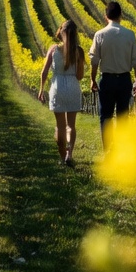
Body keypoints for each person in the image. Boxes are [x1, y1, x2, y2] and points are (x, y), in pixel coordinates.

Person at [89, 0, 136, 150]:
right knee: (123, 117)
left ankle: (108, 150)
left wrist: (92, 79)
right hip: (124, 79)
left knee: (106, 115)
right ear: (121, 15)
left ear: (106, 16)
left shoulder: (99, 35)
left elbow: (94, 60)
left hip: (107, 80)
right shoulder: (129, 34)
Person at [39, 20, 85, 165]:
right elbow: (79, 76)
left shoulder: (53, 50)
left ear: (61, 32)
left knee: (60, 126)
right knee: (71, 125)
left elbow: (44, 72)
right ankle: (69, 154)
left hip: (57, 88)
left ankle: (62, 155)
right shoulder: (78, 51)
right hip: (72, 87)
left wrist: (41, 90)